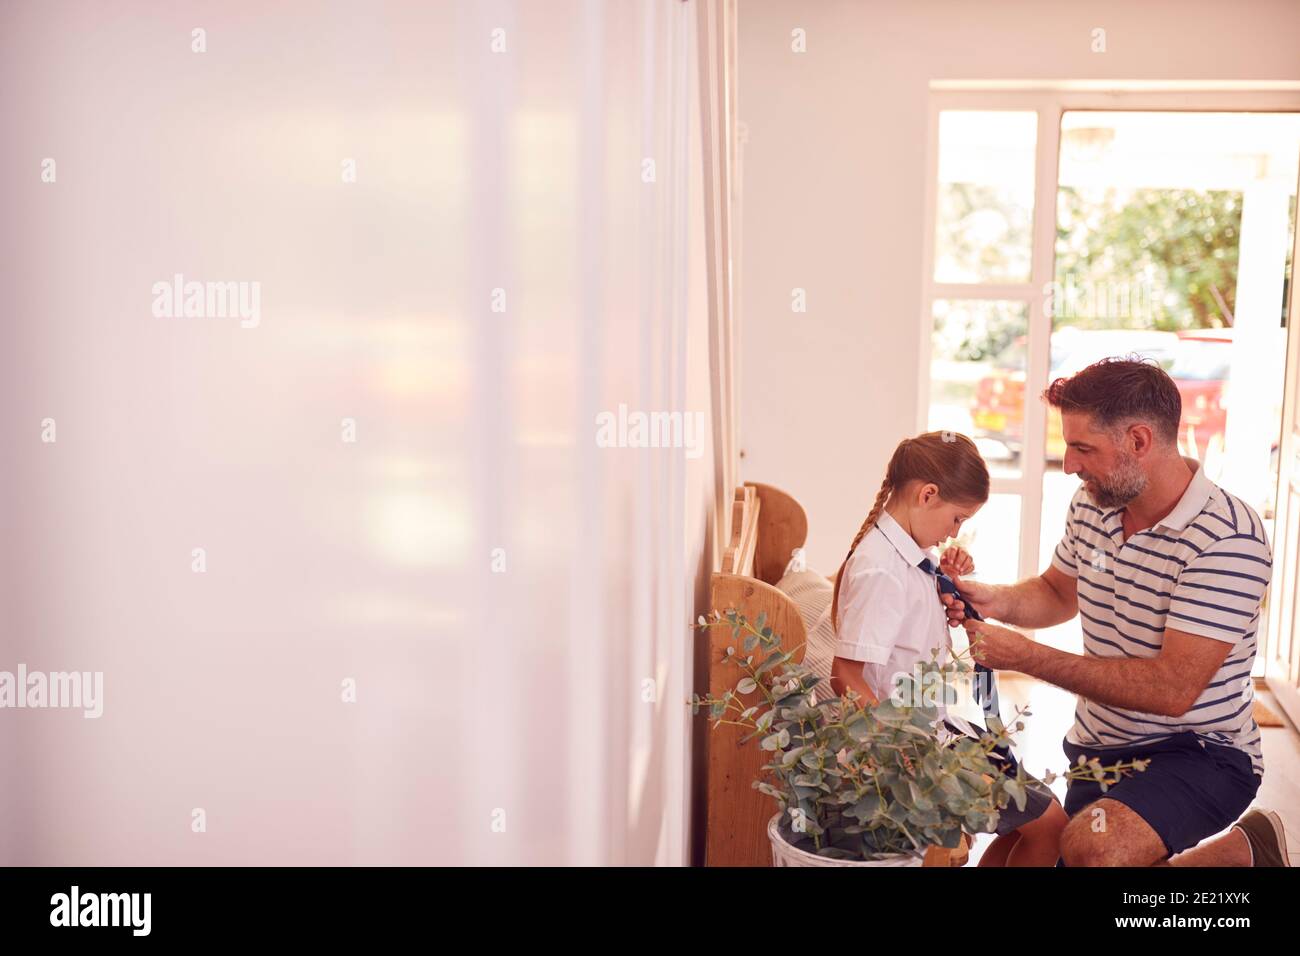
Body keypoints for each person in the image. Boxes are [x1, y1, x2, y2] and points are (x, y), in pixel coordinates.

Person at [944, 356, 1290, 867]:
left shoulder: (1226, 538)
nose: (1068, 464)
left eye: (1083, 448)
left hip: (1200, 754)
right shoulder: (1093, 504)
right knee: (1040, 849)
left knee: (1095, 849)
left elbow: (1172, 690)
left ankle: (1235, 851)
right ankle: (1243, 854)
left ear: (1139, 442)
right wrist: (995, 599)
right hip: (1099, 751)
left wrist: (1024, 657)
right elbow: (1058, 591)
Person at [822, 430, 1069, 866]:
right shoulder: (881, 570)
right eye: (958, 518)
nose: (956, 531)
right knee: (1050, 828)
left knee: (1037, 823)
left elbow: (910, 621)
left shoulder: (909, 552)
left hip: (937, 729)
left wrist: (948, 585)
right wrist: (902, 753)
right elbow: (845, 675)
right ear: (928, 495)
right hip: (913, 748)